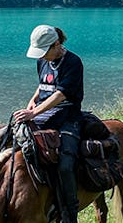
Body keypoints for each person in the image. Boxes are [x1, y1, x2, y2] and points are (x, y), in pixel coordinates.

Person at [13, 25, 84, 223]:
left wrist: (34, 112)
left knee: (65, 164)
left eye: (45, 52)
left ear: (57, 45)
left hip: (67, 118)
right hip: (43, 114)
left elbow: (61, 94)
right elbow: (43, 85)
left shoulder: (73, 62)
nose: (42, 56)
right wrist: (32, 102)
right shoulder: (42, 61)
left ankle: (70, 213)